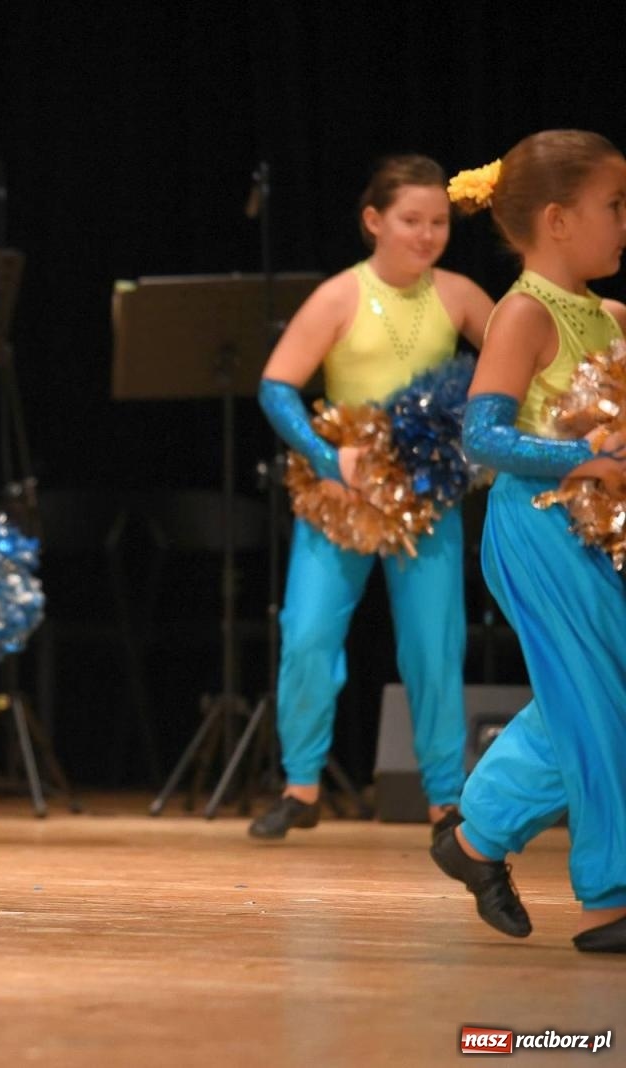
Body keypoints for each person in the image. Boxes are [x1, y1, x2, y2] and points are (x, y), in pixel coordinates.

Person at [250, 156, 494, 840]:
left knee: (433, 645)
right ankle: (302, 787)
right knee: (307, 635)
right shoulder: (338, 296)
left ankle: (446, 799)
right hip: (343, 496)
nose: (426, 235)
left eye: (438, 222)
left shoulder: (461, 294)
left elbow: (519, 358)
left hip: (424, 499)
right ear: (374, 221)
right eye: (411, 221)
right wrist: (330, 458)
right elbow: (275, 386)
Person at [431, 130, 626, 953]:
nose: (624, 222)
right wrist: (584, 456)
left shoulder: (612, 315)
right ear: (556, 219)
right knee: (595, 704)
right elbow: (483, 436)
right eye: (613, 207)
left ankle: (473, 837)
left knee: (594, 700)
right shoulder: (522, 311)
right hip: (538, 527)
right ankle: (609, 900)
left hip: (594, 530)